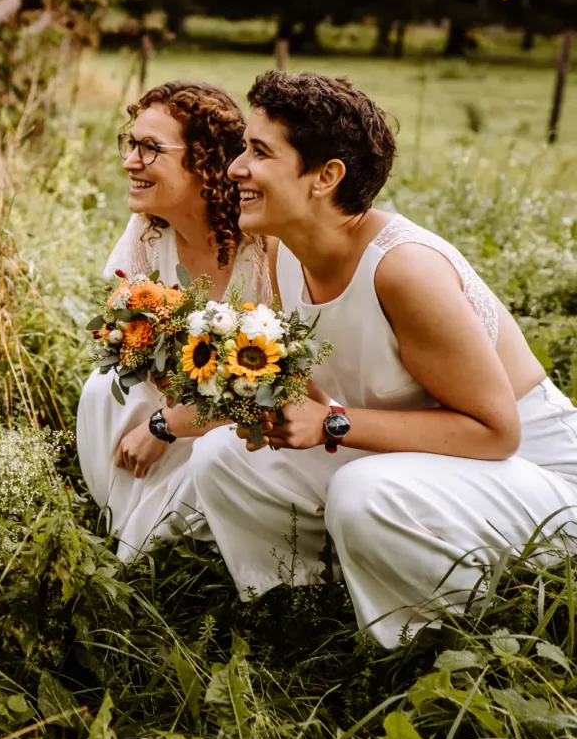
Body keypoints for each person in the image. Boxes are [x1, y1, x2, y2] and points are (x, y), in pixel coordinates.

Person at [193, 70, 577, 646]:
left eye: (259, 152)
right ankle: (294, 615)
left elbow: (496, 433)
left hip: (536, 480)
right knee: (222, 455)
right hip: (423, 458)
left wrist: (331, 423)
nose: (235, 168)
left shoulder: (403, 270)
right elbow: (335, 378)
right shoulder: (282, 251)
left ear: (326, 176)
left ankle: (420, 645)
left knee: (365, 491)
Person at [78, 82, 272, 561]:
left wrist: (166, 424)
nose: (130, 162)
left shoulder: (266, 246)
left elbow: (282, 386)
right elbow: (126, 339)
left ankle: (152, 555)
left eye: (151, 148)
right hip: (179, 398)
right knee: (106, 385)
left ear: (205, 163)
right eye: (132, 143)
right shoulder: (147, 233)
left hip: (251, 423)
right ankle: (122, 530)